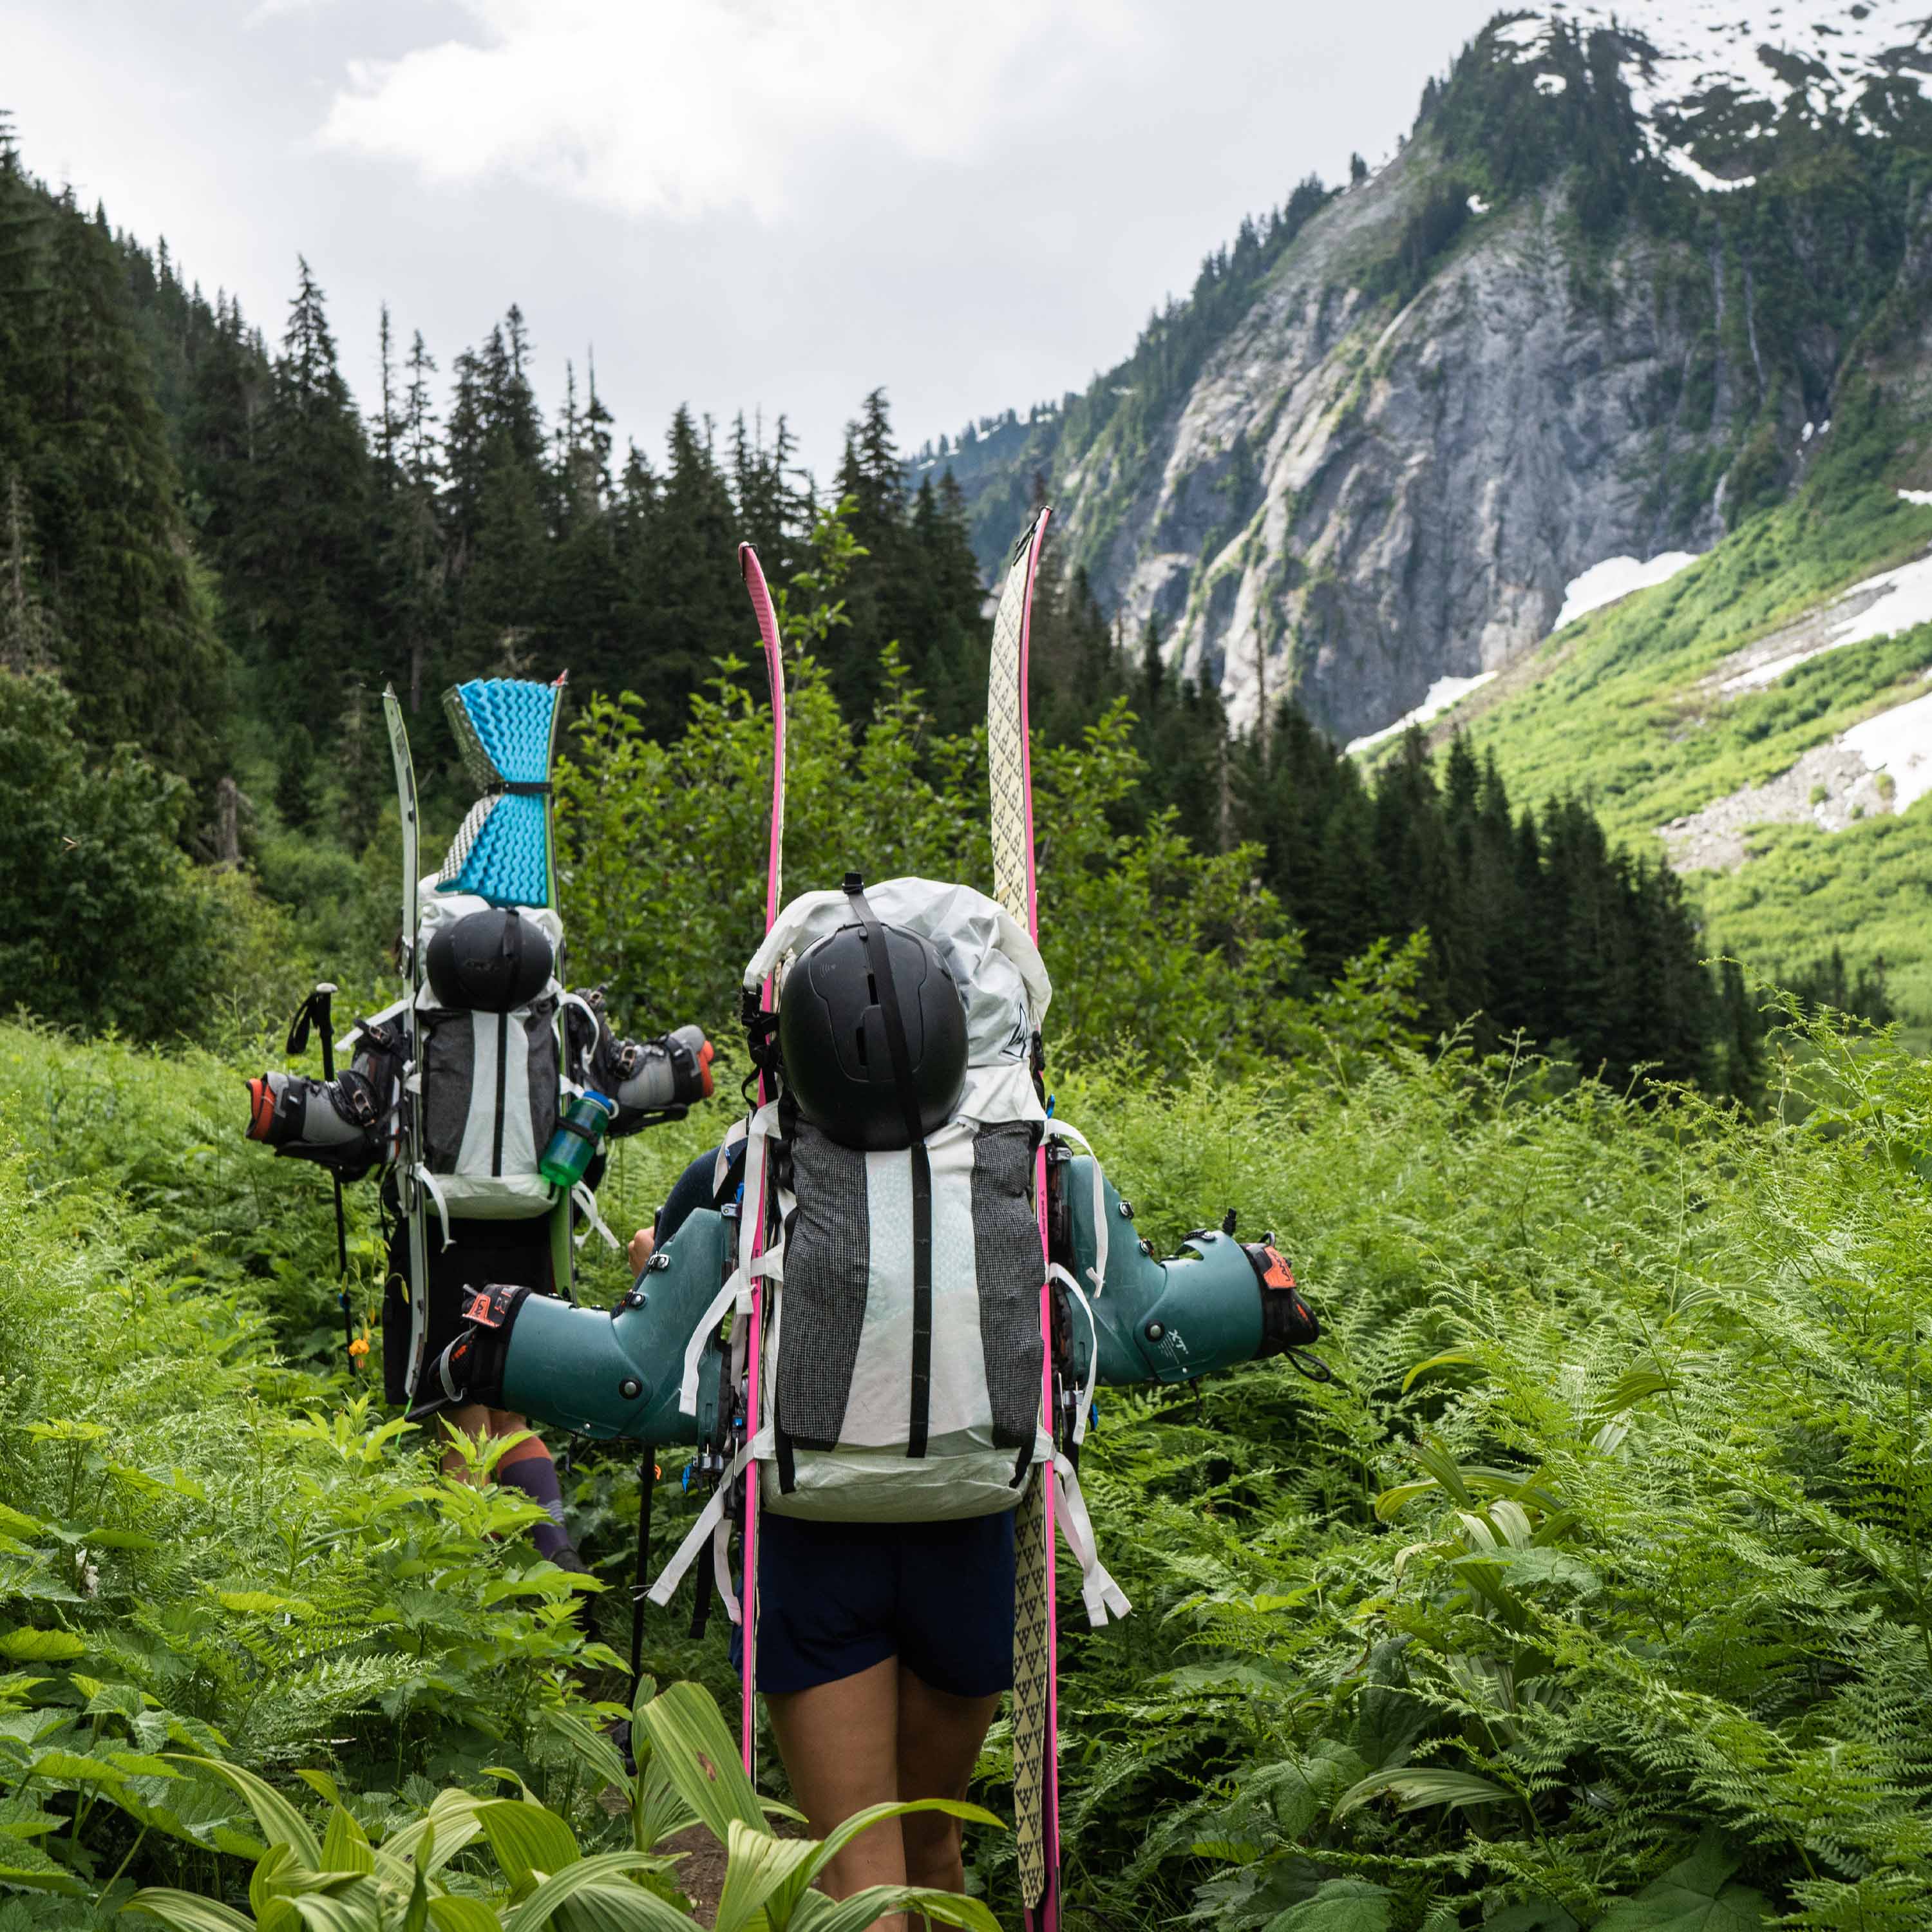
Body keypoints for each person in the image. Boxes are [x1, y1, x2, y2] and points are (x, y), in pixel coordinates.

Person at [629, 1160, 1009, 1908]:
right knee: (935, 1845)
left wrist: (650, 1257)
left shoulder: (751, 1160)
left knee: (857, 1866)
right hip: (968, 1525)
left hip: (812, 1533)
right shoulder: (1011, 1157)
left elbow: (660, 1312)